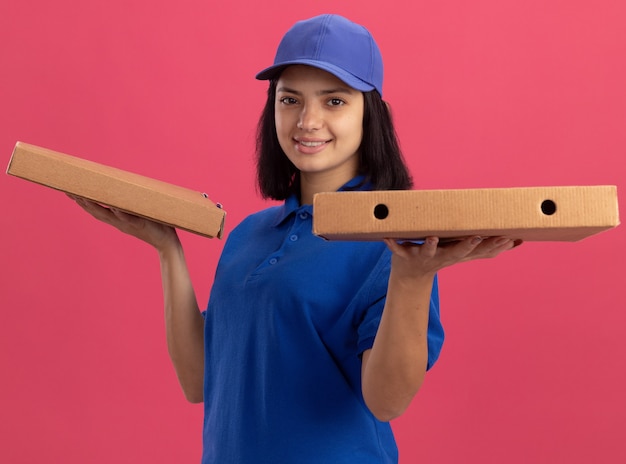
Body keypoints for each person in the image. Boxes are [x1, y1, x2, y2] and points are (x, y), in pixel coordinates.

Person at [71, 14, 519, 464]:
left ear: (370, 114)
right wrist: (166, 248)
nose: (308, 120)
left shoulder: (395, 242)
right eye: (290, 99)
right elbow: (199, 380)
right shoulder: (250, 235)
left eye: (334, 102)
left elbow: (387, 401)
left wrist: (412, 277)